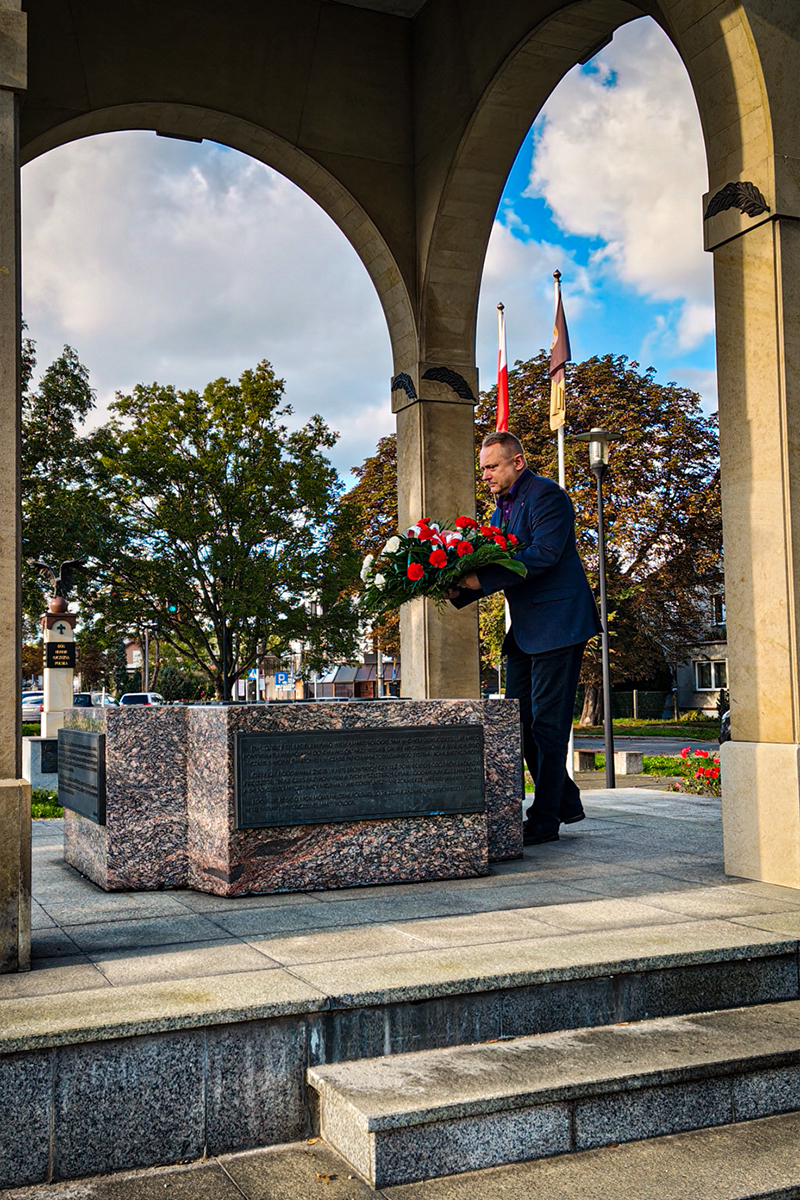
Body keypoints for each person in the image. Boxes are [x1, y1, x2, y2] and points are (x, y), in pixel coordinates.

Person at [449, 431, 601, 844]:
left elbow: (543, 555)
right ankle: (566, 801)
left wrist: (478, 577)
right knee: (517, 723)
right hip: (526, 631)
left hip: (560, 624)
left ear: (517, 462)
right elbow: (497, 560)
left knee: (548, 728)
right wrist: (456, 585)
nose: (485, 475)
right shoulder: (500, 510)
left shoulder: (547, 496)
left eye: (492, 466)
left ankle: (546, 820)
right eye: (482, 468)